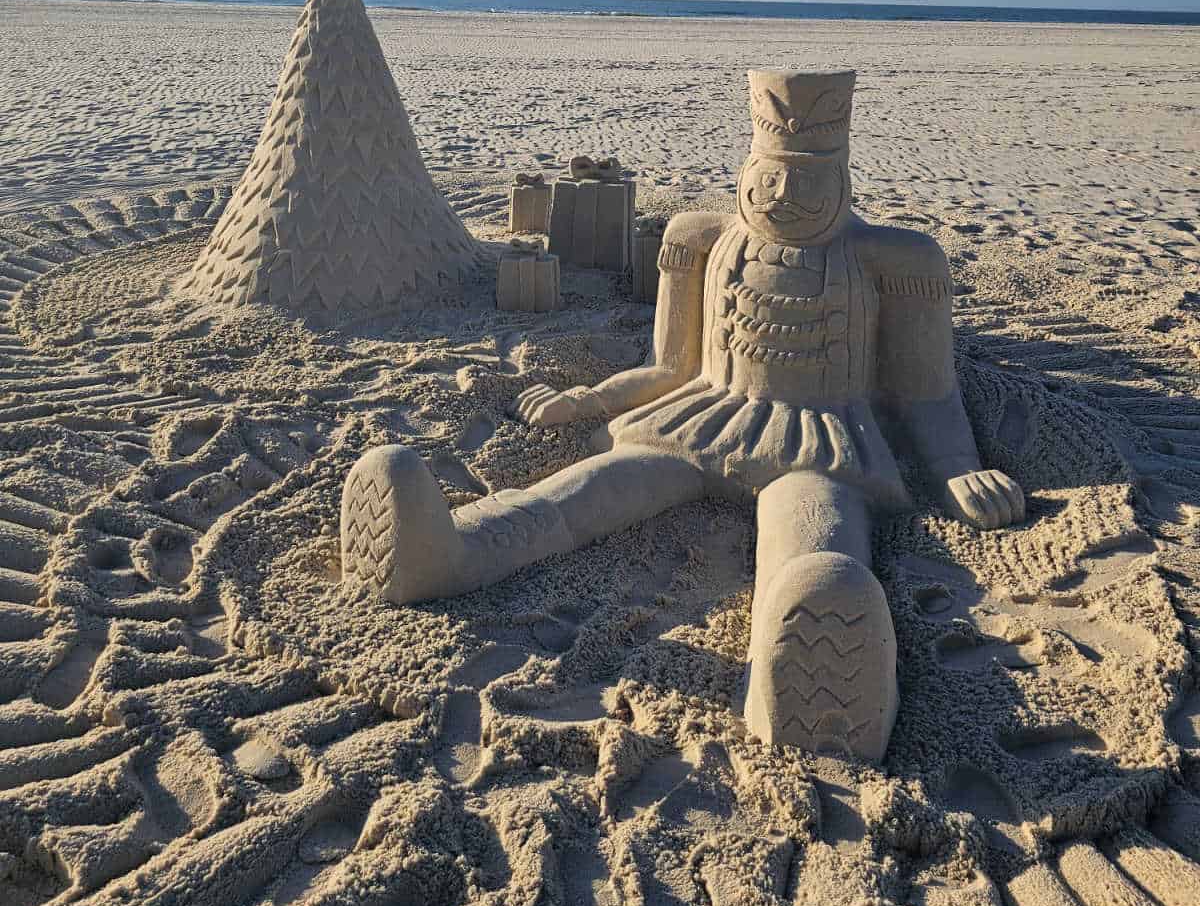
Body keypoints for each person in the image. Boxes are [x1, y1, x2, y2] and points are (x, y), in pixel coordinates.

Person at [341, 69, 1024, 761]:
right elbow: (672, 365)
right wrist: (589, 400)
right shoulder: (700, 239)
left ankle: (800, 688)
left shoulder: (894, 259)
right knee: (590, 491)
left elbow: (924, 390)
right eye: (769, 180)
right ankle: (448, 555)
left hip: (818, 441)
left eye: (807, 183)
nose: (783, 199)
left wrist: (958, 469)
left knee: (814, 546)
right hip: (701, 420)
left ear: (841, 182)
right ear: (746, 170)